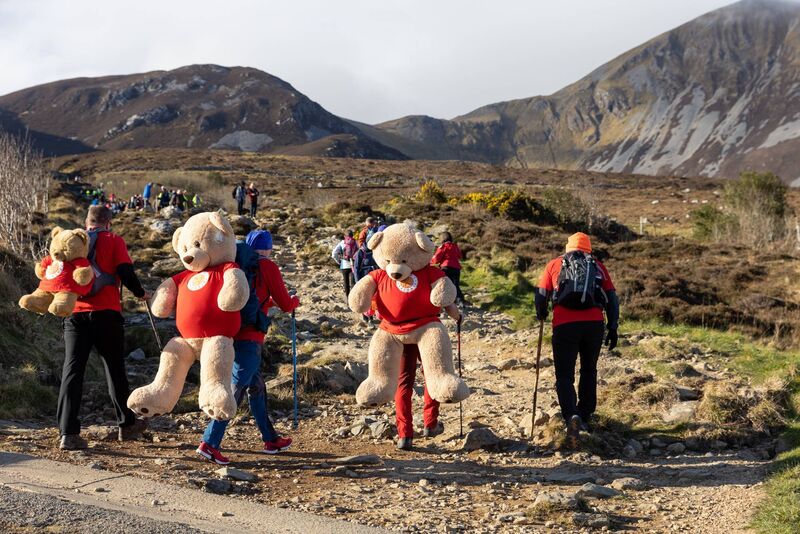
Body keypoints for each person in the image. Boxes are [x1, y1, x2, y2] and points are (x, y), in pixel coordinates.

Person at [197, 230, 300, 464]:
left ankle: (270, 439)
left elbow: (249, 296)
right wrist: (295, 301)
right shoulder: (268, 267)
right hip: (251, 336)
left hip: (227, 332)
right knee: (236, 388)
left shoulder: (235, 266)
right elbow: (285, 304)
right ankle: (209, 442)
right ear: (267, 247)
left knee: (257, 387)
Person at [57, 206, 149, 450]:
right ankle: (126, 425)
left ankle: (68, 433)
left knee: (72, 370)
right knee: (114, 369)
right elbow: (125, 272)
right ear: (108, 222)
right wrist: (140, 293)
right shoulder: (114, 240)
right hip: (107, 314)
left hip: (76, 314)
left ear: (87, 221)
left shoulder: (72, 241)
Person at [535, 232, 619, 448]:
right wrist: (613, 326)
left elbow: (541, 294)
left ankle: (571, 415)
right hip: (594, 325)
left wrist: (542, 313)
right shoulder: (597, 266)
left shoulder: (554, 264)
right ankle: (586, 415)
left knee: (564, 374)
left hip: (564, 325)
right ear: (588, 248)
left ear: (568, 247)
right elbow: (612, 299)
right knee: (589, 370)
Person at [395, 304, 461, 450]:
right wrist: (458, 317)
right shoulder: (429, 279)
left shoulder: (390, 280)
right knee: (433, 375)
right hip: (428, 329)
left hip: (402, 330)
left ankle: (404, 435)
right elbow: (444, 300)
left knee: (403, 382)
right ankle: (430, 424)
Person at [431, 232, 466, 305]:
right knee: (456, 285)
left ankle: (446, 302)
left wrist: (431, 262)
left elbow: (436, 258)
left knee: (445, 285)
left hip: (446, 268)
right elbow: (459, 256)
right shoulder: (455, 246)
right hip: (456, 268)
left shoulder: (443, 247)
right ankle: (461, 301)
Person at [352, 237, 379, 322]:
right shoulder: (361, 252)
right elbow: (356, 268)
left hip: (375, 278)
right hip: (364, 278)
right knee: (365, 297)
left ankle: (372, 314)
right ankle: (367, 317)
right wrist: (357, 281)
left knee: (374, 297)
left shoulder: (375, 250)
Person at [331, 230, 357, 300]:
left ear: (345, 236)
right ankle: (353, 299)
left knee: (346, 283)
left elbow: (333, 254)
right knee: (353, 283)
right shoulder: (356, 242)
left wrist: (339, 261)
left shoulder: (342, 243)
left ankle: (348, 299)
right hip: (353, 265)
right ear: (352, 235)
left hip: (344, 265)